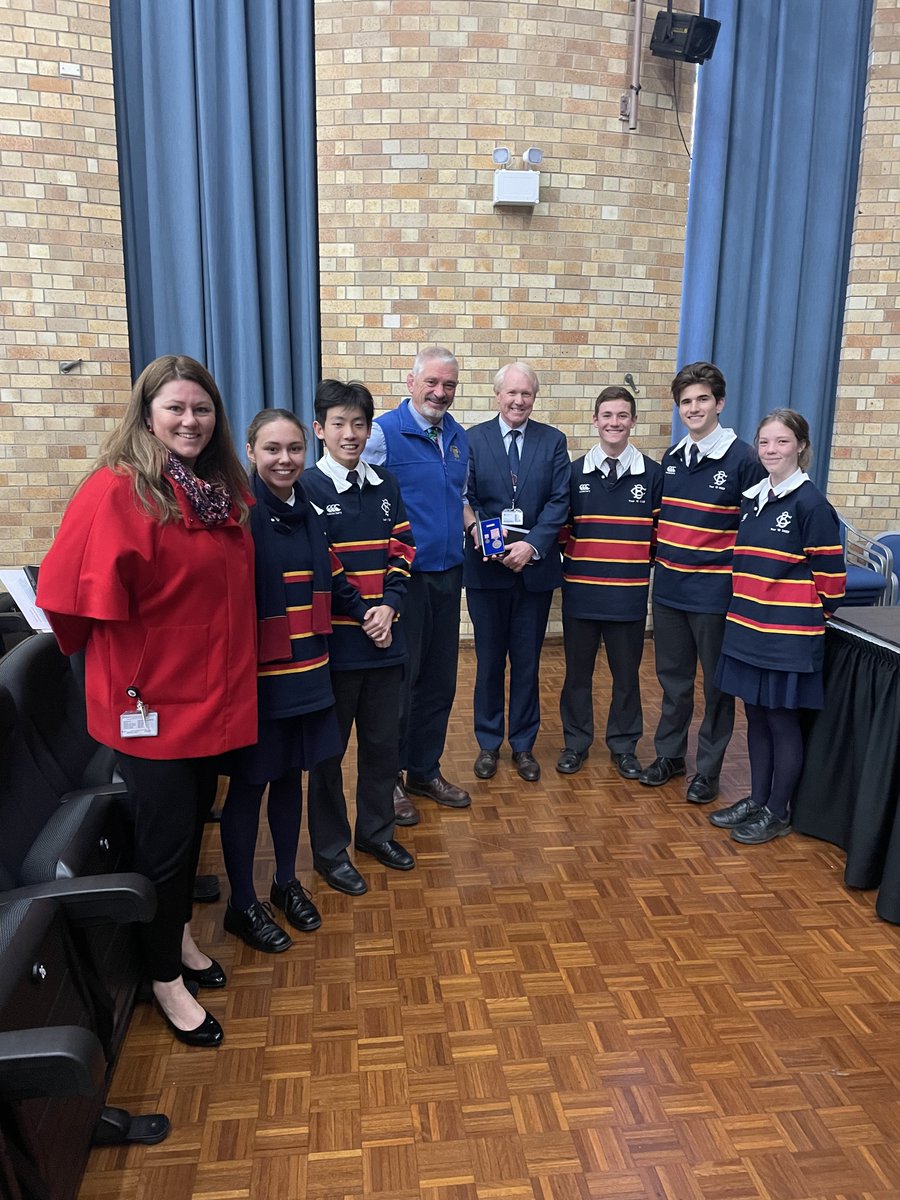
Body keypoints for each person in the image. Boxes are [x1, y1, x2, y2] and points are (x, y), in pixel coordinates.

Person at [36, 354, 257, 1048]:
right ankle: (163, 974)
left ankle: (180, 935)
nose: (190, 421)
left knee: (193, 827)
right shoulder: (118, 489)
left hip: (210, 693)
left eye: (201, 409)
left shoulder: (218, 487)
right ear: (147, 414)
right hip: (154, 701)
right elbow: (70, 603)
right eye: (176, 409)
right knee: (165, 844)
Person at [219, 409, 374, 952]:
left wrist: (372, 610)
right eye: (271, 449)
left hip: (309, 670)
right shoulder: (238, 513)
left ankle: (285, 883)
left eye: (292, 450)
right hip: (260, 678)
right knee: (249, 788)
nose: (284, 460)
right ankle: (242, 904)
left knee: (290, 780)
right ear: (250, 451)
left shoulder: (307, 509)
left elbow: (332, 576)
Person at [708, 410, 846, 843]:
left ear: (801, 446)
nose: (771, 450)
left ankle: (778, 810)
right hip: (747, 629)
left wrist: (799, 618)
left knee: (782, 721)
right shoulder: (752, 499)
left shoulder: (811, 504)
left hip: (787, 637)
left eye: (782, 442)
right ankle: (757, 797)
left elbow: (832, 583)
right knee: (756, 717)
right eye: (765, 442)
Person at [304, 379, 417, 894]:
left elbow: (403, 550)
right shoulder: (305, 488)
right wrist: (365, 612)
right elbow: (320, 566)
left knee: (382, 746)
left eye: (359, 424)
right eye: (339, 423)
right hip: (337, 649)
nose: (350, 433)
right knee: (328, 756)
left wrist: (389, 607)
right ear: (319, 429)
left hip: (385, 643)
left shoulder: (386, 485)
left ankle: (376, 832)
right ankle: (330, 851)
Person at [638, 362, 764, 804]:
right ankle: (670, 756)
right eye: (686, 401)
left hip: (714, 593)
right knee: (672, 681)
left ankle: (707, 770)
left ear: (720, 403)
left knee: (715, 686)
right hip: (669, 590)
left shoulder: (745, 459)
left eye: (702, 399)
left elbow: (755, 529)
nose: (693, 408)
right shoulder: (672, 459)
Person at [362, 346, 470, 818]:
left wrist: (476, 530)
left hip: (451, 576)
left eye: (448, 385)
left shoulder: (458, 437)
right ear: (411, 383)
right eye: (432, 382)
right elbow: (362, 498)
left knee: (439, 682)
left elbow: (459, 498)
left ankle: (424, 769)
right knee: (399, 687)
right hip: (406, 581)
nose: (440, 392)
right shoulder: (383, 433)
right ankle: (387, 783)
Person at [462, 363, 570, 782]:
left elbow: (559, 502)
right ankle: (488, 743)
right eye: (511, 393)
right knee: (489, 661)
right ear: (497, 395)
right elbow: (466, 495)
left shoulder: (553, 441)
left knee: (526, 662)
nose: (518, 401)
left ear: (534, 397)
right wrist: (488, 540)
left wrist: (531, 546)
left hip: (534, 570)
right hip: (486, 569)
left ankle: (523, 745)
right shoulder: (471, 440)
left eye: (526, 394)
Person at [557, 386, 663, 779]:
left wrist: (629, 566)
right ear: (595, 420)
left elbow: (657, 537)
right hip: (581, 593)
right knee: (577, 674)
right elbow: (563, 531)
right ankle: (576, 743)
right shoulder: (573, 473)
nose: (614, 423)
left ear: (633, 421)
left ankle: (623, 745)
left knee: (626, 676)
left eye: (622, 415)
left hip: (628, 597)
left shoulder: (653, 475)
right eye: (607, 415)